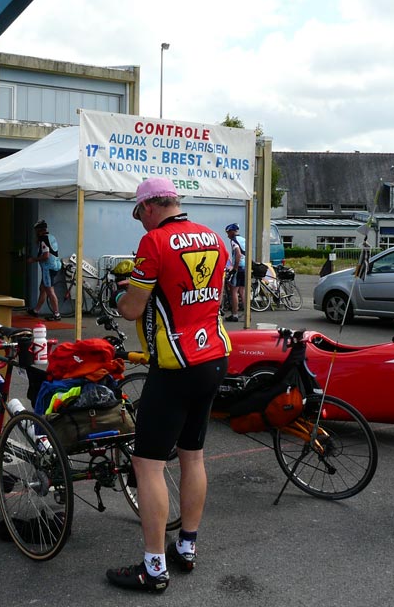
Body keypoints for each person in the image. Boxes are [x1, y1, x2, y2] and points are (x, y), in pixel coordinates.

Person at [106, 177, 230, 593]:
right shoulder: (213, 238)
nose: (139, 221)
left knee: (148, 464)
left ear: (150, 207)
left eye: (138, 213)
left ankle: (153, 568)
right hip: (214, 355)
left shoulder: (155, 243)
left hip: (175, 363)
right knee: (193, 456)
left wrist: (121, 297)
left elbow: (132, 309)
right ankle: (187, 546)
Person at [26, 219, 63, 321]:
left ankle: (56, 314)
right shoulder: (51, 237)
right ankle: (36, 311)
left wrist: (33, 259)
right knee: (43, 288)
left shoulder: (43, 240)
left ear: (39, 231)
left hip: (48, 267)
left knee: (50, 291)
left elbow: (46, 256)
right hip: (55, 265)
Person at [224, 223, 245, 321]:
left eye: (228, 232)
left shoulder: (234, 241)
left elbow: (238, 254)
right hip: (245, 267)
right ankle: (247, 314)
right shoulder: (243, 239)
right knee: (242, 291)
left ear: (232, 231)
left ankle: (235, 315)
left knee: (234, 291)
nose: (227, 235)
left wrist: (235, 268)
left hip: (239, 267)